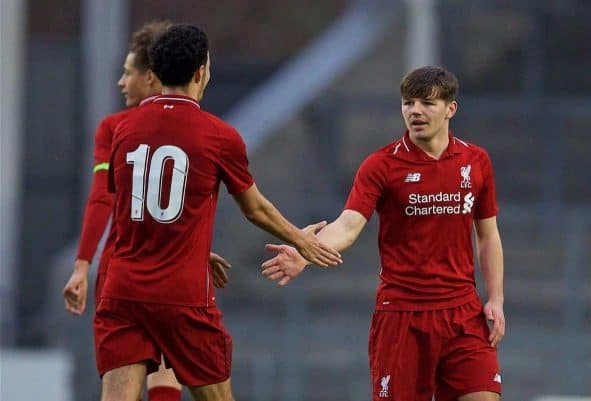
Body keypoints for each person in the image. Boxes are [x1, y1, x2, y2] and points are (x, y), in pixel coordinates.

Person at [94, 24, 342, 401]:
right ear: (201, 72)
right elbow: (255, 208)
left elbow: (134, 213)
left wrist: (190, 246)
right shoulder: (219, 136)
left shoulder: (123, 131)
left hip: (124, 291)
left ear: (156, 74)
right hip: (182, 295)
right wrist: (301, 239)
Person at [261, 66, 505, 401]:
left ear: (451, 108)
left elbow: (488, 235)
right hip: (403, 315)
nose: (415, 111)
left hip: (463, 313)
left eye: (427, 103)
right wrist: (306, 252)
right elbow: (348, 226)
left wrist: (496, 298)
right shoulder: (381, 166)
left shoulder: (476, 161)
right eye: (408, 103)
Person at [62, 21, 232, 401]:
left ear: (152, 76)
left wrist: (82, 264)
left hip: (125, 274)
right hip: (175, 279)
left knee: (127, 385)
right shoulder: (201, 131)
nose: (122, 82)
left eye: (128, 72)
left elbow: (105, 199)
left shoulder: (119, 128)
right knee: (167, 378)